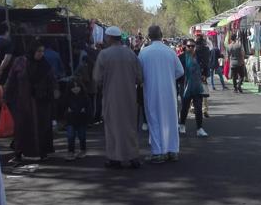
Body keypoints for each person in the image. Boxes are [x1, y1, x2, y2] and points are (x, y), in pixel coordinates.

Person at [93, 26, 143, 169]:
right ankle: (133, 156)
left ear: (109, 38)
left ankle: (115, 157)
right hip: (129, 97)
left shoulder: (103, 55)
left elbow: (97, 78)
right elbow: (139, 77)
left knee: (112, 127)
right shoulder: (131, 54)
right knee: (130, 126)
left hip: (111, 97)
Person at [4, 40, 58, 164]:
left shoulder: (45, 65)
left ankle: (43, 152)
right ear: (32, 50)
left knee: (41, 128)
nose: (41, 54)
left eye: (42, 51)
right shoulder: (20, 62)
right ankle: (18, 153)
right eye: (39, 51)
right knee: (22, 128)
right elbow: (11, 79)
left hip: (41, 102)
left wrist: (52, 96)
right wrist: (7, 96)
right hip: (23, 102)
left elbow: (51, 81)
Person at [138, 25, 185, 164]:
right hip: (169, 91)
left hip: (152, 90)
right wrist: (169, 77)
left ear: (149, 36)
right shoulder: (170, 52)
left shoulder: (144, 52)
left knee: (154, 120)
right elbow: (180, 71)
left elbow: (139, 74)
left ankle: (158, 152)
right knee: (171, 120)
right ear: (161, 34)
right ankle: (173, 151)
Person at [178, 39, 208, 138]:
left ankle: (199, 128)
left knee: (198, 108)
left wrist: (204, 75)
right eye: (188, 46)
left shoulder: (199, 57)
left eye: (192, 46)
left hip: (197, 86)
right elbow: (177, 72)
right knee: (185, 107)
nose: (190, 48)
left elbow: (205, 67)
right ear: (185, 47)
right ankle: (182, 124)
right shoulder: (181, 58)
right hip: (185, 85)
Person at [62, 75, 90, 161]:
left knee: (82, 135)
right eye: (73, 87)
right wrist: (67, 111)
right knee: (70, 136)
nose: (76, 88)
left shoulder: (85, 97)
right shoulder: (67, 97)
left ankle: (83, 149)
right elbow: (63, 108)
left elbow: (89, 108)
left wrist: (86, 113)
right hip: (71, 120)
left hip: (81, 119)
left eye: (77, 86)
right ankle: (71, 151)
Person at [195, 35, 211, 117]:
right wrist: (205, 73)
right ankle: (205, 109)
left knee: (193, 90)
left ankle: (192, 106)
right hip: (203, 72)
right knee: (204, 91)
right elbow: (207, 61)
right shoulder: (206, 49)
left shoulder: (194, 49)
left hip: (195, 73)